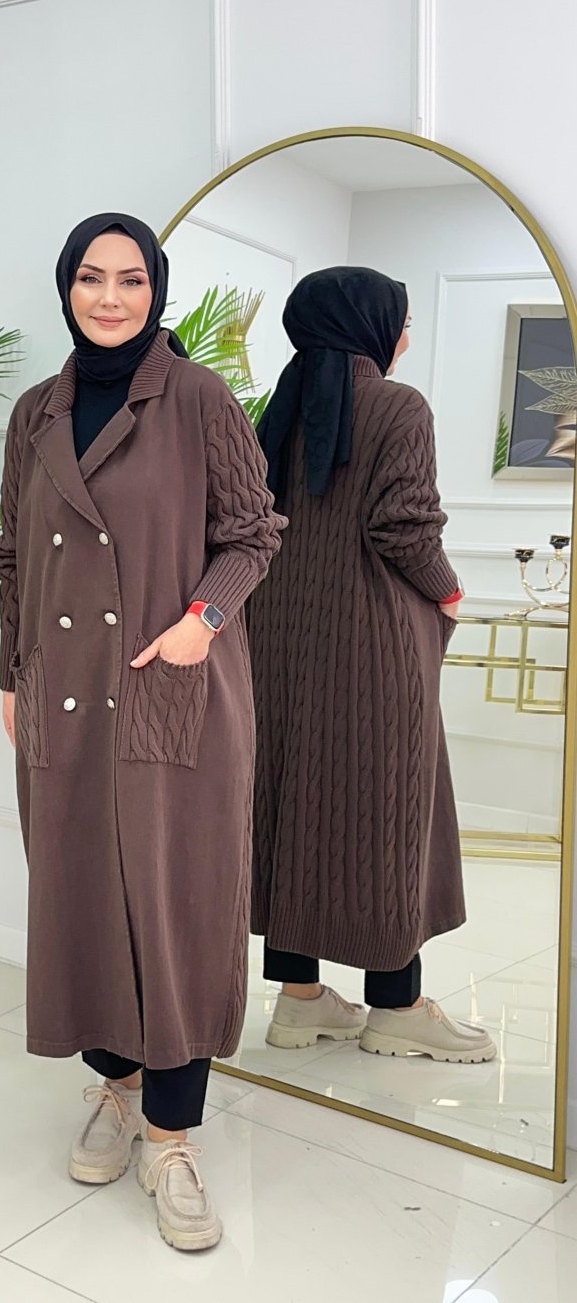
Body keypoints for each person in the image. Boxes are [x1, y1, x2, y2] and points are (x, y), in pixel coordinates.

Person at [0, 213, 285, 1251]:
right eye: (90, 278)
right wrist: (11, 674)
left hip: (174, 689)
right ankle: (115, 1089)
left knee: (177, 907)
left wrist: (201, 622)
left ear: (156, 291)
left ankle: (171, 1136)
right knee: (80, 896)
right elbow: (14, 556)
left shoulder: (199, 398)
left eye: (129, 279)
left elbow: (254, 533)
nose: (109, 298)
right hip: (62, 693)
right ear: (65, 288)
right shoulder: (35, 411)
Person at [248, 266, 496, 1064]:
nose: (407, 338)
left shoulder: (276, 411)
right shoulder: (399, 407)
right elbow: (404, 528)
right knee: (389, 813)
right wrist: (449, 591)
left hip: (275, 641)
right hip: (371, 648)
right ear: (370, 324)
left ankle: (301, 1001)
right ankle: (396, 1005)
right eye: (405, 321)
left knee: (289, 800)